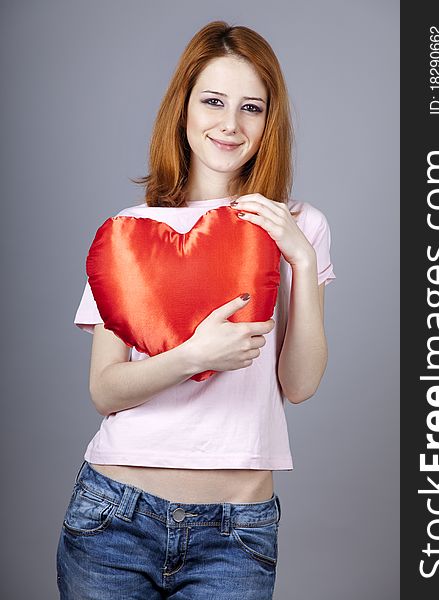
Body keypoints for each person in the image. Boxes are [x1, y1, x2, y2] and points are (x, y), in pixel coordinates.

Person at [56, 20, 336, 599]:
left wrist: (303, 263)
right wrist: (193, 356)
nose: (230, 124)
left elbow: (300, 384)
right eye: (212, 101)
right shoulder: (127, 235)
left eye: (251, 108)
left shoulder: (299, 226)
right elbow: (106, 390)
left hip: (237, 533)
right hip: (114, 518)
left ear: (269, 121)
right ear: (182, 107)